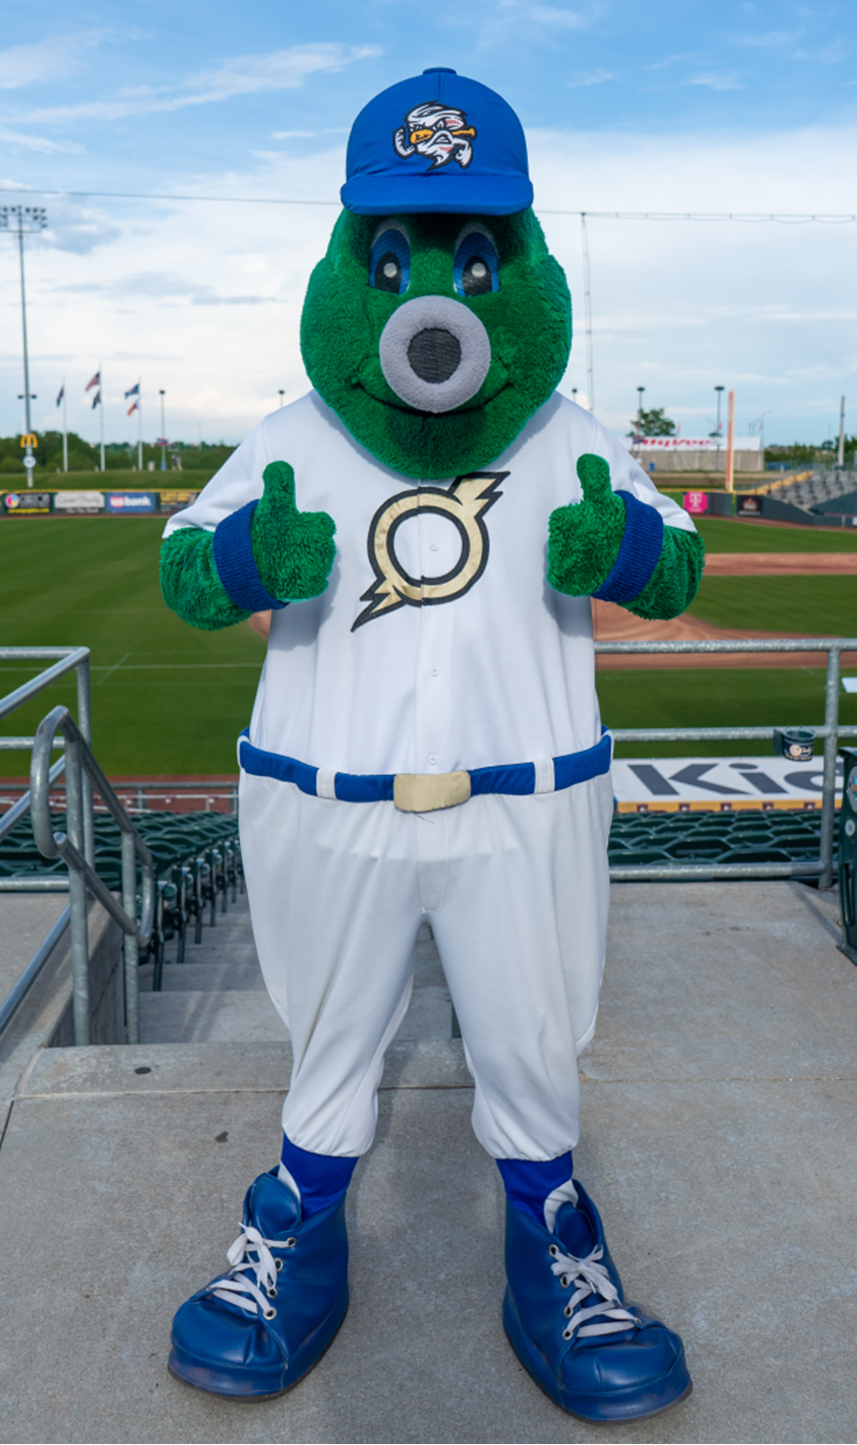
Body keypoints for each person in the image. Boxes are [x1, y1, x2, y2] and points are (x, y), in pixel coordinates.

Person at [159, 67, 703, 1421]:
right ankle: (294, 1224)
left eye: (474, 250)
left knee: (532, 1035)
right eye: (397, 254)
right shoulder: (296, 437)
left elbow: (678, 558)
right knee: (330, 1032)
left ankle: (555, 1245)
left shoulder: (573, 436)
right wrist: (243, 555)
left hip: (522, 809)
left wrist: (625, 544)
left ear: (517, 258)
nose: (434, 304)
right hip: (328, 803)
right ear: (354, 259)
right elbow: (181, 561)